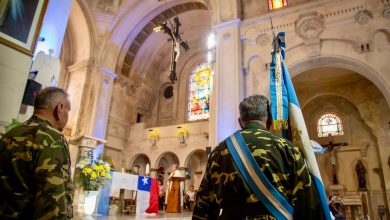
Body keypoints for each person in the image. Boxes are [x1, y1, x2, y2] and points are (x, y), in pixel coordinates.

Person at [193, 94, 323, 219]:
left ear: (240, 121)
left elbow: (204, 204)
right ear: (270, 120)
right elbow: (307, 203)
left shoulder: (218, 151)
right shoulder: (287, 149)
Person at [0, 87, 73, 219]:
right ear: (59, 109)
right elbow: (52, 203)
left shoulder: (9, 135)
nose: (68, 116)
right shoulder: (51, 139)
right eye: (68, 111)